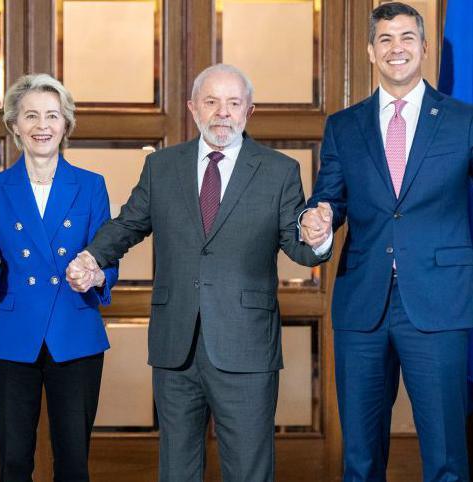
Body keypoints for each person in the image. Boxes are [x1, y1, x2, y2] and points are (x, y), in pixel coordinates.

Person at [66, 64, 328, 482]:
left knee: (248, 469)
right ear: (192, 108)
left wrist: (319, 238)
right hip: (176, 344)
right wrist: (92, 258)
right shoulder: (162, 166)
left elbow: (299, 247)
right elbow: (129, 224)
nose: (222, 113)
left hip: (246, 345)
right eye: (211, 102)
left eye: (233, 103)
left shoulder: (279, 170)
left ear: (249, 111)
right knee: (177, 468)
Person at [301, 3, 473, 480]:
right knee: (359, 457)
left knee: (446, 458)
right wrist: (317, 223)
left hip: (440, 302)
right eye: (385, 40)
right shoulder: (343, 125)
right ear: (371, 52)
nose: (396, 48)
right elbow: (328, 199)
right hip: (362, 304)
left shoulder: (463, 121)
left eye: (406, 38)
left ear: (423, 47)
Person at [0, 73, 118, 482]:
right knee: (14, 462)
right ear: (14, 125)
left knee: (73, 463)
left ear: (66, 124)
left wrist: (97, 275)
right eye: (31, 116)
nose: (42, 125)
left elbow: (106, 254)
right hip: (14, 335)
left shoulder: (91, 186)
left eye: (52, 115)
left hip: (75, 331)